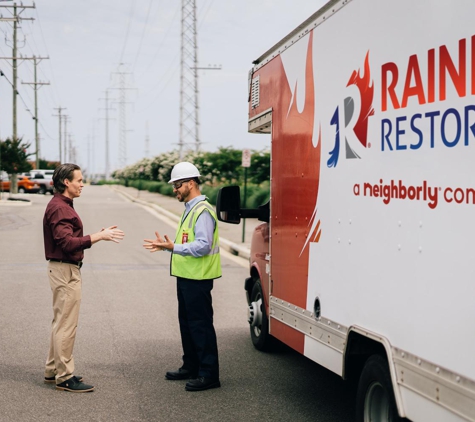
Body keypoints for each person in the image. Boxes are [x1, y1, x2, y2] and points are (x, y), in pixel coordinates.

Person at [43, 163, 125, 393]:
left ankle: (53, 370)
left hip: (63, 269)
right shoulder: (60, 208)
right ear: (66, 182)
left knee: (61, 323)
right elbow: (67, 243)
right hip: (65, 270)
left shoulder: (62, 205)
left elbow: (69, 239)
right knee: (66, 325)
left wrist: (97, 235)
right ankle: (64, 377)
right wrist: (99, 236)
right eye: (79, 180)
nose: (82, 184)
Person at [143, 161, 222, 392]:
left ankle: (209, 374)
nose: (174, 189)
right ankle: (191, 365)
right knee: (187, 324)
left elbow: (203, 246)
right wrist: (170, 247)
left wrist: (172, 247)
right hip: (187, 277)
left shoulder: (203, 211)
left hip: (198, 278)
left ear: (191, 183)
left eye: (177, 185)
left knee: (201, 326)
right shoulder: (190, 209)